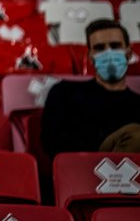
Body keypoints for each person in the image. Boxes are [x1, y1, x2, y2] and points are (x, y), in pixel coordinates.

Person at [41, 19, 140, 158]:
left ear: (129, 54)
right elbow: (51, 143)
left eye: (115, 46)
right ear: (90, 57)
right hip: (79, 169)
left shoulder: (137, 104)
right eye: (100, 48)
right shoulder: (64, 92)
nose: (109, 54)